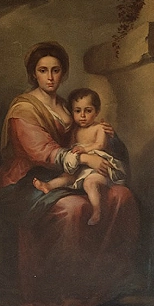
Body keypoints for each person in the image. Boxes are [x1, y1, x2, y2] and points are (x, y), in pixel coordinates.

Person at [0, 41, 140, 306]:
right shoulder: (23, 109)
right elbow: (41, 152)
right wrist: (86, 159)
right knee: (72, 209)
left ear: (64, 73)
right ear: (33, 74)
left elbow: (84, 140)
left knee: (122, 197)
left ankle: (98, 287)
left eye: (56, 70)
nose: (50, 77)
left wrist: (104, 133)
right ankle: (55, 294)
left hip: (70, 177)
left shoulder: (68, 106)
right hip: (28, 181)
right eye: (43, 70)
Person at [32, 87, 127, 226]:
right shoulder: (75, 130)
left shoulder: (99, 127)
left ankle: (96, 211)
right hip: (82, 166)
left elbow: (100, 145)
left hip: (99, 168)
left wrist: (84, 149)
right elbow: (71, 148)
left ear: (97, 112)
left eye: (88, 111)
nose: (82, 115)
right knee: (66, 176)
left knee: (90, 183)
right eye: (77, 111)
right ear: (72, 112)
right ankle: (48, 186)